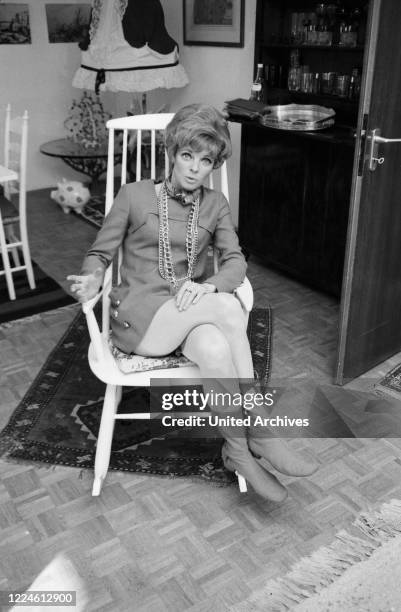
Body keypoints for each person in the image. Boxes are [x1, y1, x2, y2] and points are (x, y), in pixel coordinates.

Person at [67, 104, 318, 501]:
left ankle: (237, 452)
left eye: (205, 160)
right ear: (172, 153)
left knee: (216, 347)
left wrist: (211, 285)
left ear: (214, 164)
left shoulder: (216, 204)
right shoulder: (133, 195)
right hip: (140, 318)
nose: (194, 168)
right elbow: (100, 254)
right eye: (187, 156)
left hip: (188, 311)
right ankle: (262, 428)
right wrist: (92, 276)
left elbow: (234, 261)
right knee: (226, 308)